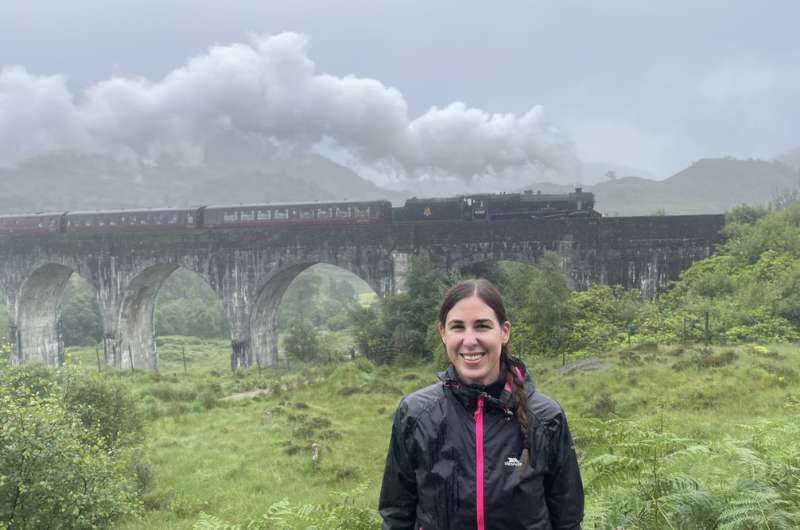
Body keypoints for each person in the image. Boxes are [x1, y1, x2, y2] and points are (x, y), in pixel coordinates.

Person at [379, 279, 584, 530]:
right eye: (457, 327)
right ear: (443, 332)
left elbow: (568, 520)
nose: (469, 340)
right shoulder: (415, 415)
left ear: (504, 331)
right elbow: (396, 515)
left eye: (482, 326)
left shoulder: (546, 418)